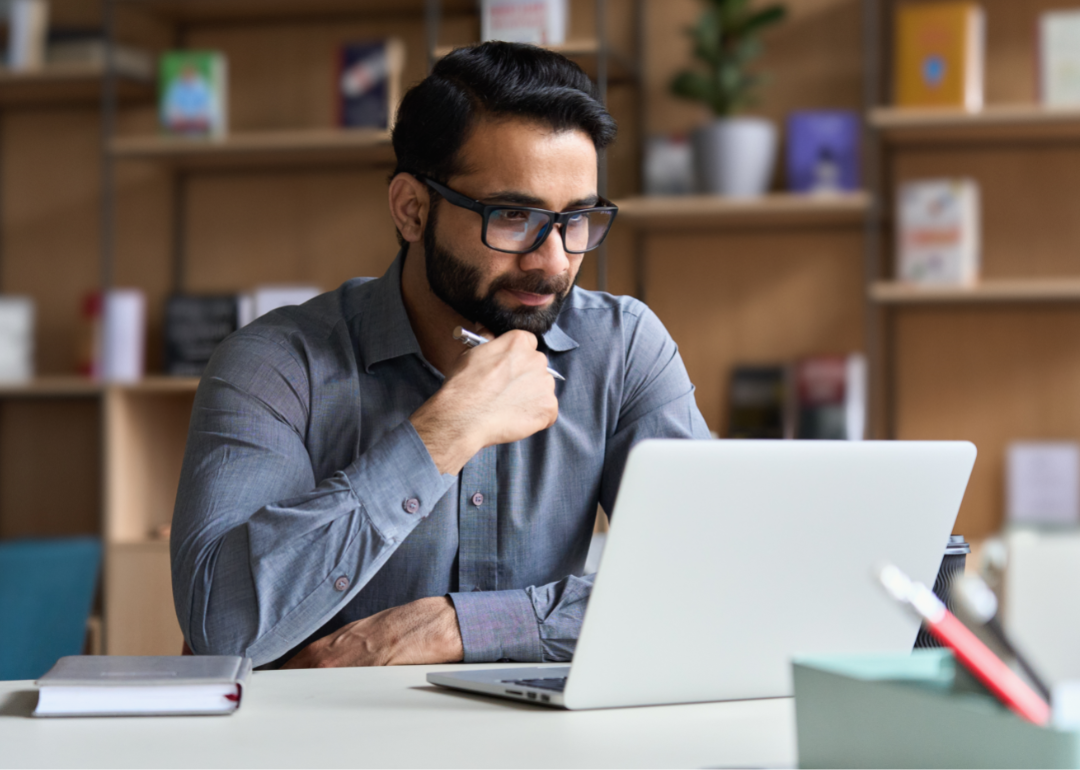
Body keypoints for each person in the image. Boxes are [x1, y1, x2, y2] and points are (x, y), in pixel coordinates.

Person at [170, 41, 710, 669]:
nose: (556, 261)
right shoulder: (274, 365)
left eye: (578, 219)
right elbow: (222, 628)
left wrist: (454, 627)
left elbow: (712, 582)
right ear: (411, 209)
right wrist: (443, 433)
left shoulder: (623, 348)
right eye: (513, 216)